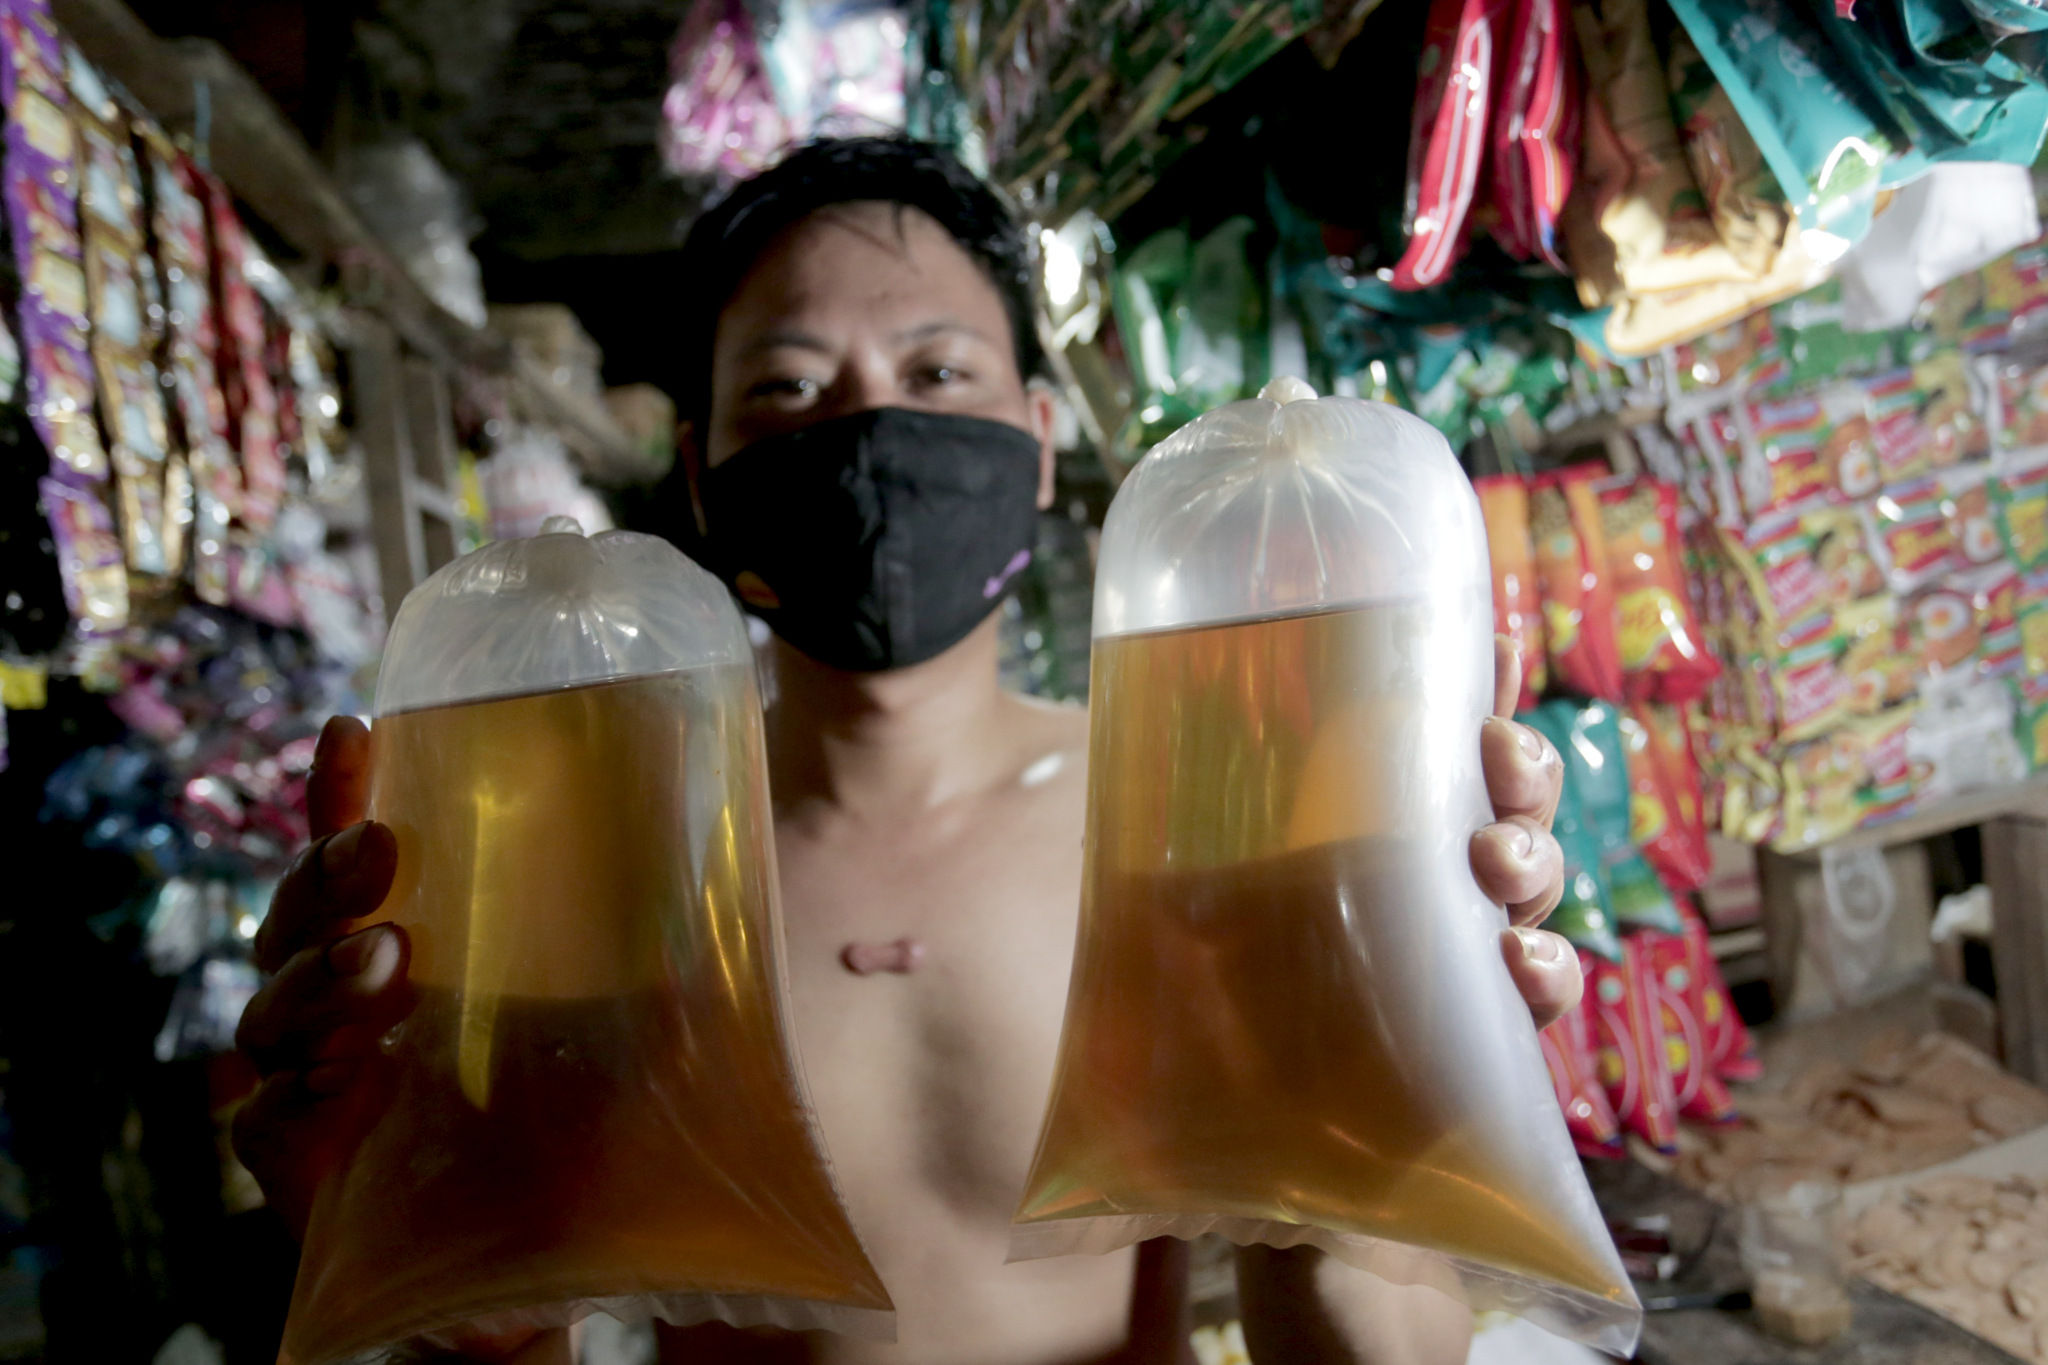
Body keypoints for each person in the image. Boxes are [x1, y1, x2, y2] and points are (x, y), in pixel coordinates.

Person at [232, 137, 1578, 1365]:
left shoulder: (1195, 824)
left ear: (1038, 445)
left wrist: (1389, 1090)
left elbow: (1363, 1339)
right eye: (790, 384)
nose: (864, 431)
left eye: (936, 371)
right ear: (703, 479)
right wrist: (438, 1270)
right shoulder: (612, 870)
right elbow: (513, 1319)